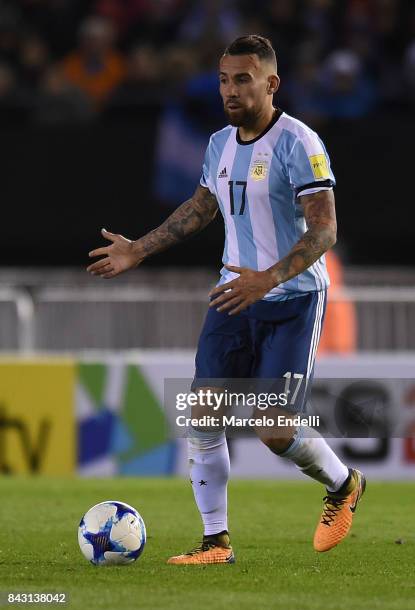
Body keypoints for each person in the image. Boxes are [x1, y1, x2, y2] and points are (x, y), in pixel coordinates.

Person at [87, 35, 366, 565]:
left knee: (275, 430)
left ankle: (343, 484)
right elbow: (200, 207)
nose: (230, 90)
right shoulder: (217, 144)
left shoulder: (299, 143)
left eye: (242, 79)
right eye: (223, 79)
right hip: (233, 296)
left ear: (271, 82)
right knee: (204, 415)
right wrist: (138, 250)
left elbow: (325, 231)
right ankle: (216, 542)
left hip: (292, 298)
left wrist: (270, 278)